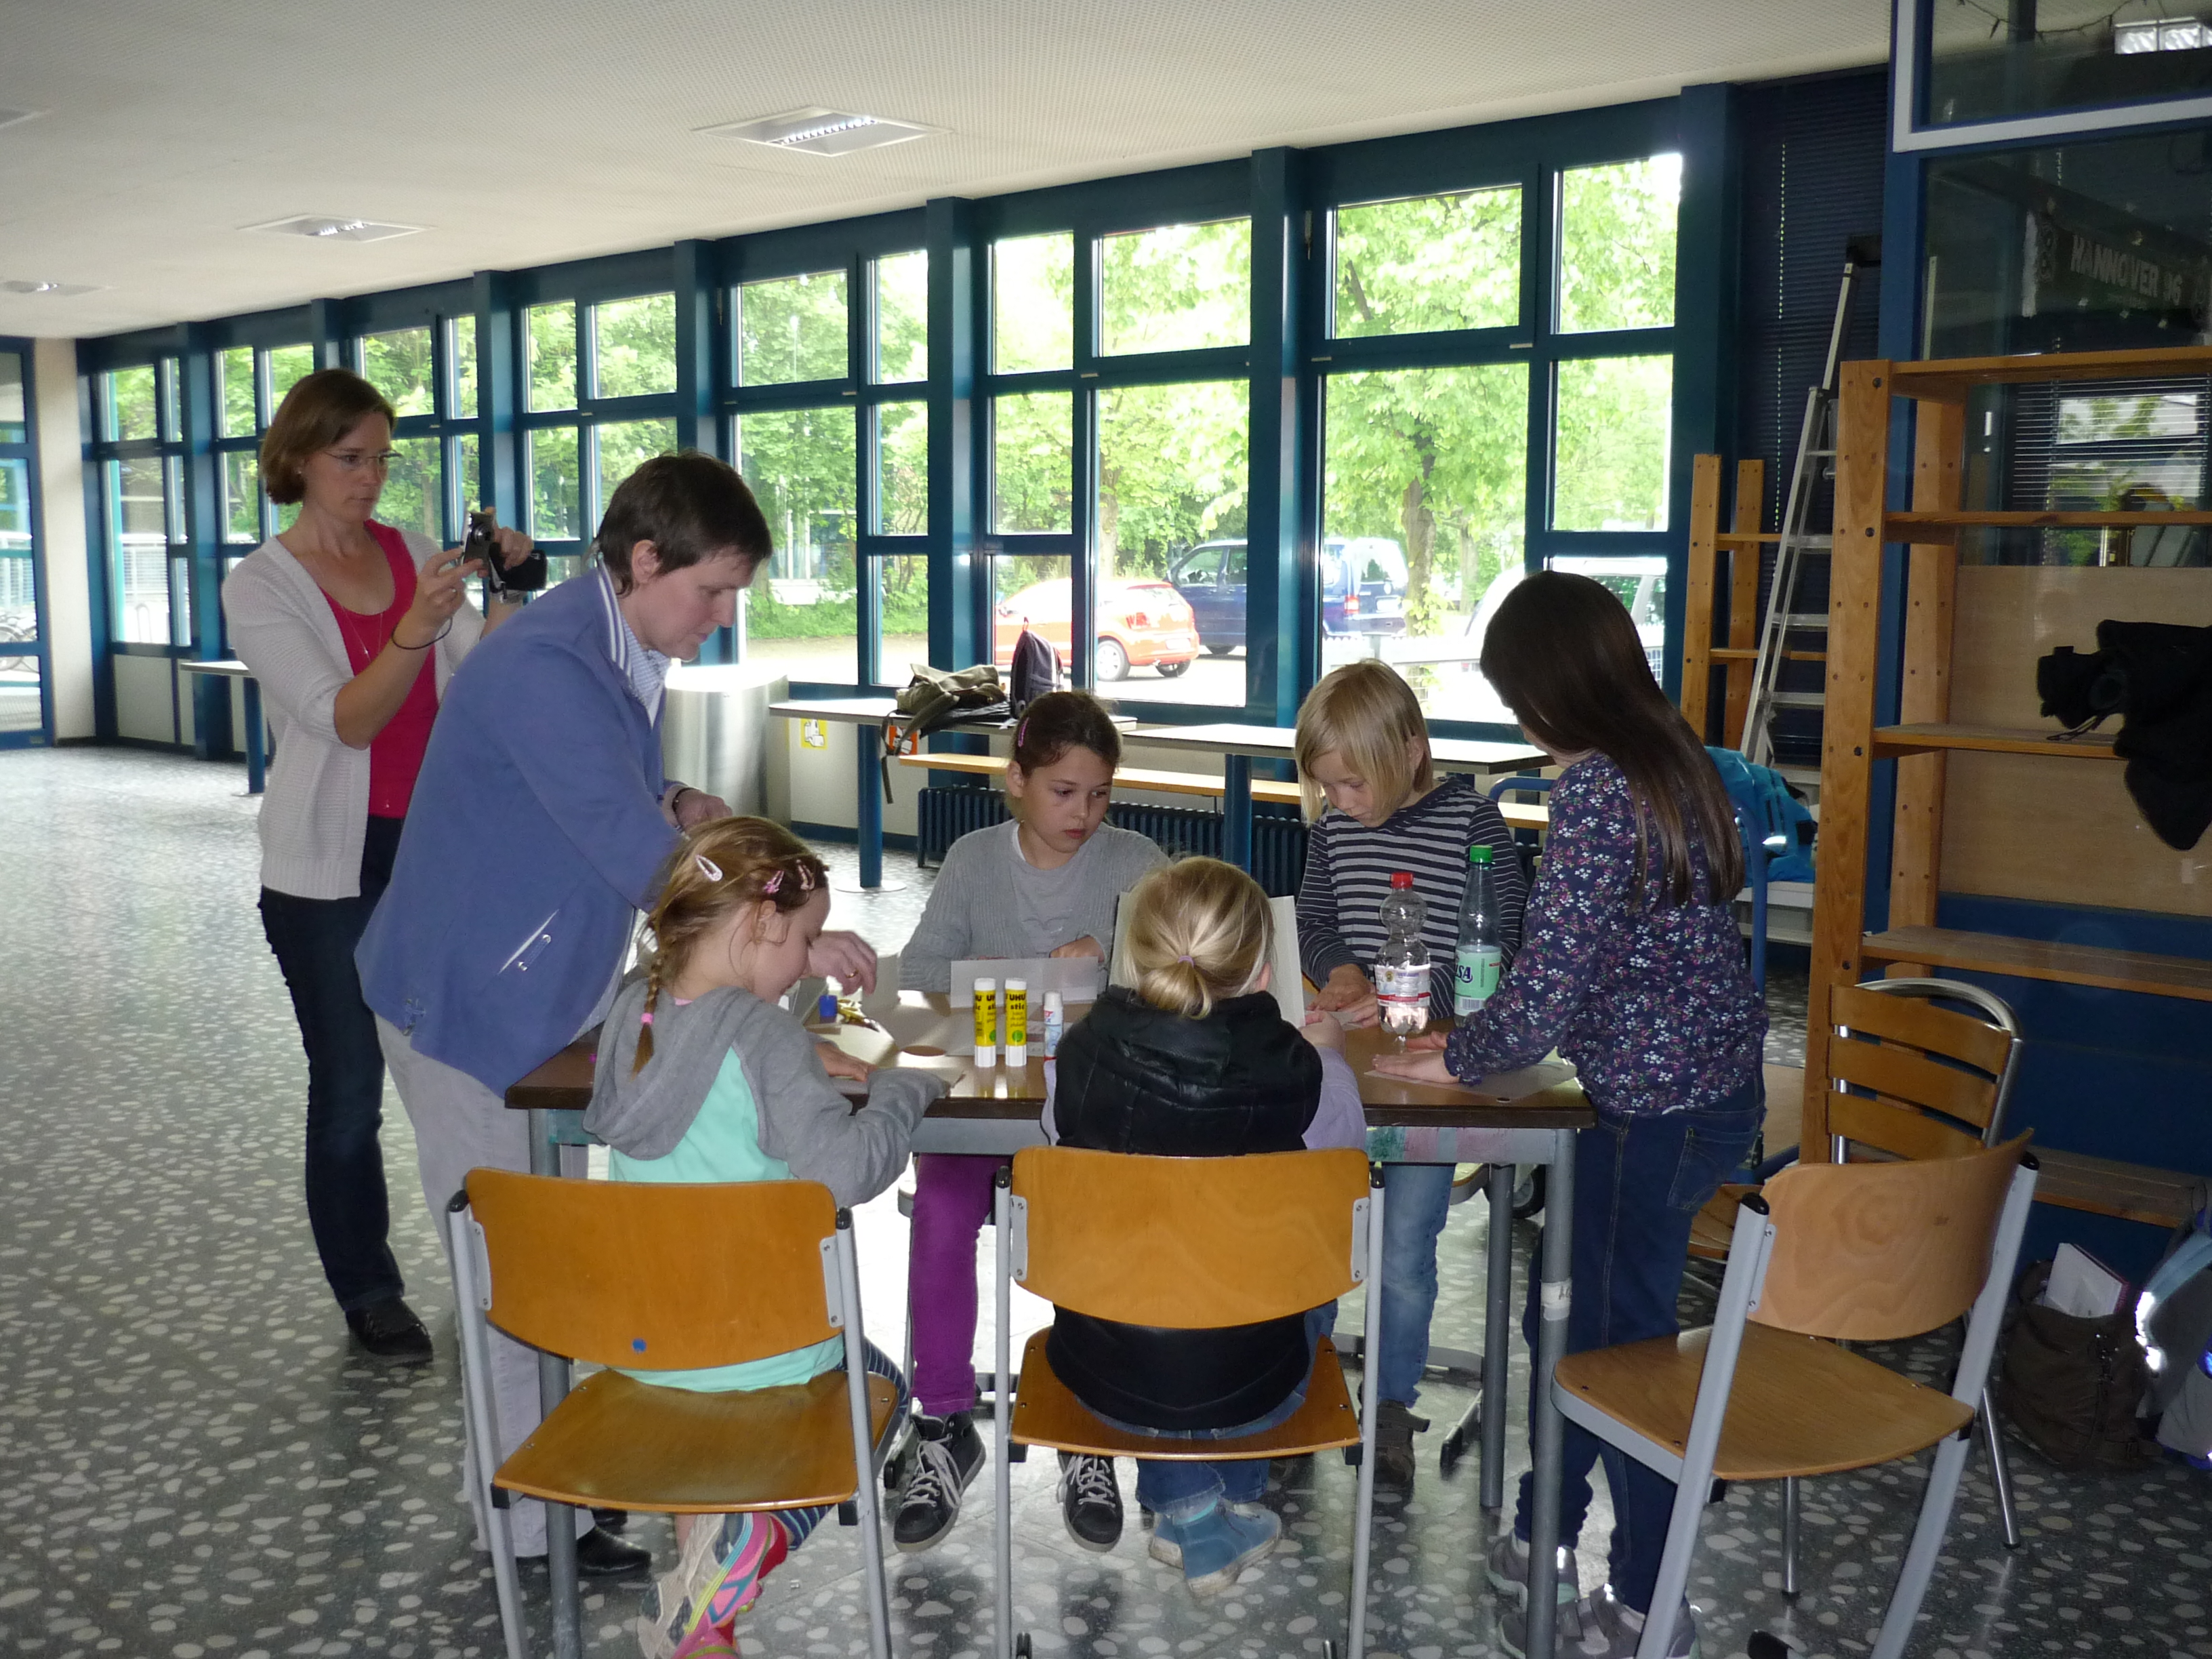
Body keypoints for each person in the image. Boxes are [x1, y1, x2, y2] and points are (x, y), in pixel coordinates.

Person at [356, 451, 880, 1574]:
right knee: (515, 1267)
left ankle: (556, 1495)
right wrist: (787, 924)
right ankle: (525, 1531)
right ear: (645, 559)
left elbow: (615, 791)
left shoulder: (609, 639)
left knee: (545, 1254)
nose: (722, 615)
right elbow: (645, 862)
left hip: (536, 976)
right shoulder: (548, 663)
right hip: (465, 996)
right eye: (712, 590)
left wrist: (676, 796)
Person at [1375, 572, 1765, 1659]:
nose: (1517, 717)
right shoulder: (1677, 761)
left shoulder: (1597, 792)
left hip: (1648, 1111)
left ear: (1558, 686)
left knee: (1619, 1355)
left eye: (1518, 696)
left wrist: (1461, 1054)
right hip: (1710, 1096)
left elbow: (1549, 985)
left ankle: (1645, 1604)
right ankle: (1544, 1529)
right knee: (1585, 1330)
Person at [223, 367, 533, 1365]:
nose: (370, 478)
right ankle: (369, 1289)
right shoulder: (261, 585)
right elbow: (345, 718)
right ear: (297, 459)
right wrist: (415, 628)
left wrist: (510, 588)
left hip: (434, 853)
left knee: (465, 1072)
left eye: (382, 460)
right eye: (350, 458)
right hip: (327, 870)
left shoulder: (408, 551)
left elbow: (489, 676)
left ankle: (502, 1264)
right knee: (352, 1086)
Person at [582, 818, 946, 1658]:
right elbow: (844, 1173)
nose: (810, 959)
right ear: (759, 923)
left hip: (650, 1344)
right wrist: (903, 1093)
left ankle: (706, 1629)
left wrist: (791, 1053)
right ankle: (762, 1535)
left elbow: (701, 1038)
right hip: (766, 1345)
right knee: (885, 1387)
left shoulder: (633, 1011)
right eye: (807, 939)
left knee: (705, 1467)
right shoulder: (767, 1038)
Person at [891, 689, 1166, 1555]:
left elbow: (1183, 967)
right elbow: (919, 973)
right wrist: (1006, 974)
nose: (1084, 813)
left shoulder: (1136, 862)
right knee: (941, 1213)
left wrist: (1113, 954)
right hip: (985, 1098)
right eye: (1063, 792)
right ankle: (943, 1423)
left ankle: (1088, 1425)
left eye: (1099, 794)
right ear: (1016, 780)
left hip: (1089, 1109)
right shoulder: (974, 859)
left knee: (1091, 1218)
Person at [1044, 857, 1363, 1597]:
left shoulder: (1077, 1056)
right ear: (1263, 972)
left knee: (1155, 1283)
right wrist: (1334, 1060)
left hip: (1106, 1370)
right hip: (1260, 1377)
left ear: (1136, 956)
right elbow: (1344, 1153)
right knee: (1304, 1273)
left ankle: (1188, 1508)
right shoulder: (1302, 1075)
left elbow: (1058, 1145)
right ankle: (1228, 1500)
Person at [1292, 659, 1528, 1485]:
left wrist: (1424, 1005)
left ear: (1410, 750)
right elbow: (1314, 917)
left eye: (1352, 784)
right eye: (1327, 787)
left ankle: (1391, 1403)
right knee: (1318, 1230)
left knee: (1404, 1247)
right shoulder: (1333, 829)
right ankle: (1304, 1389)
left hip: (1436, 1070)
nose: (1340, 801)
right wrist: (1340, 970)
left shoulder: (1473, 825)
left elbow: (1503, 947)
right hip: (1343, 1069)